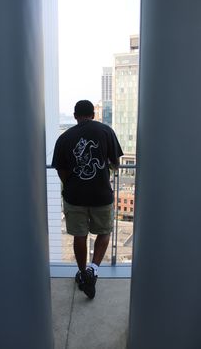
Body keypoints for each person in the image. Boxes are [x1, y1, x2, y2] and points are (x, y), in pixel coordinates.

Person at [52, 100, 123, 299]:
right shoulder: (106, 131)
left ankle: (83, 272)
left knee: (79, 235)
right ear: (93, 114)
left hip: (75, 196)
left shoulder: (64, 137)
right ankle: (93, 269)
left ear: (75, 115)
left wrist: (69, 185)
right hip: (101, 194)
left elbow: (61, 169)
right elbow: (116, 164)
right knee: (105, 231)